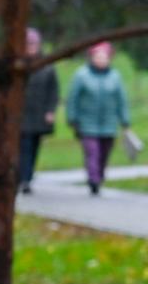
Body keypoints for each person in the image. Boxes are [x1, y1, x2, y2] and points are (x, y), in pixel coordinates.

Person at [65, 39, 130, 195]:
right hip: (87, 123)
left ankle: (99, 176)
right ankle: (93, 180)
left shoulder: (115, 77)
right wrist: (72, 118)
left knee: (104, 153)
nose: (101, 60)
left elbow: (121, 100)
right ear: (92, 58)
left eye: (104, 57)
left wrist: (125, 120)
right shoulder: (82, 75)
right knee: (92, 152)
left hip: (109, 123)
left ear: (109, 58)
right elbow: (72, 98)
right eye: (98, 57)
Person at [19, 27, 60, 195]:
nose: (31, 46)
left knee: (33, 146)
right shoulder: (18, 65)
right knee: (24, 146)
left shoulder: (47, 66)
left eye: (33, 43)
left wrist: (50, 111)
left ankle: (28, 176)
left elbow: (53, 91)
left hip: (39, 114)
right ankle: (23, 178)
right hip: (21, 115)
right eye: (28, 43)